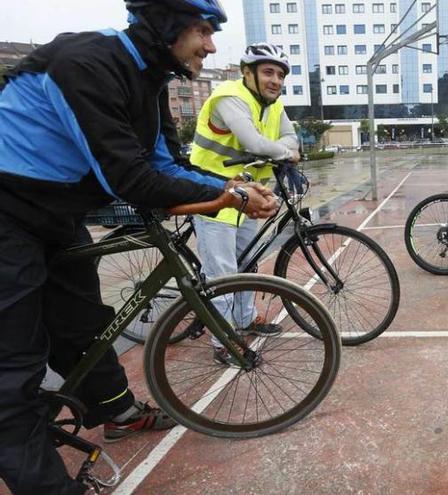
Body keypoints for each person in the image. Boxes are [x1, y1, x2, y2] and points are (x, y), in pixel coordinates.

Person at [0, 1, 278, 493]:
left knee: (85, 322)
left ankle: (118, 412)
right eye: (200, 31)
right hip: (7, 211)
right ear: (167, 26)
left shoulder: (148, 79)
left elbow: (165, 164)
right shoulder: (84, 63)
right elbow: (127, 176)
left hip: (55, 214)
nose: (210, 45)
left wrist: (227, 187)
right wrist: (222, 197)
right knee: (14, 367)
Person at [188, 42, 301, 365]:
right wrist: (284, 151)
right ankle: (221, 341)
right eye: (268, 72)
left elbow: (292, 138)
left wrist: (280, 147)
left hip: (247, 199)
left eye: (280, 74)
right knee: (221, 274)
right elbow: (255, 143)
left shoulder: (274, 106)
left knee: (246, 264)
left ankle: (245, 319)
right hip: (213, 196)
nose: (276, 80)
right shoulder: (229, 96)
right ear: (247, 73)